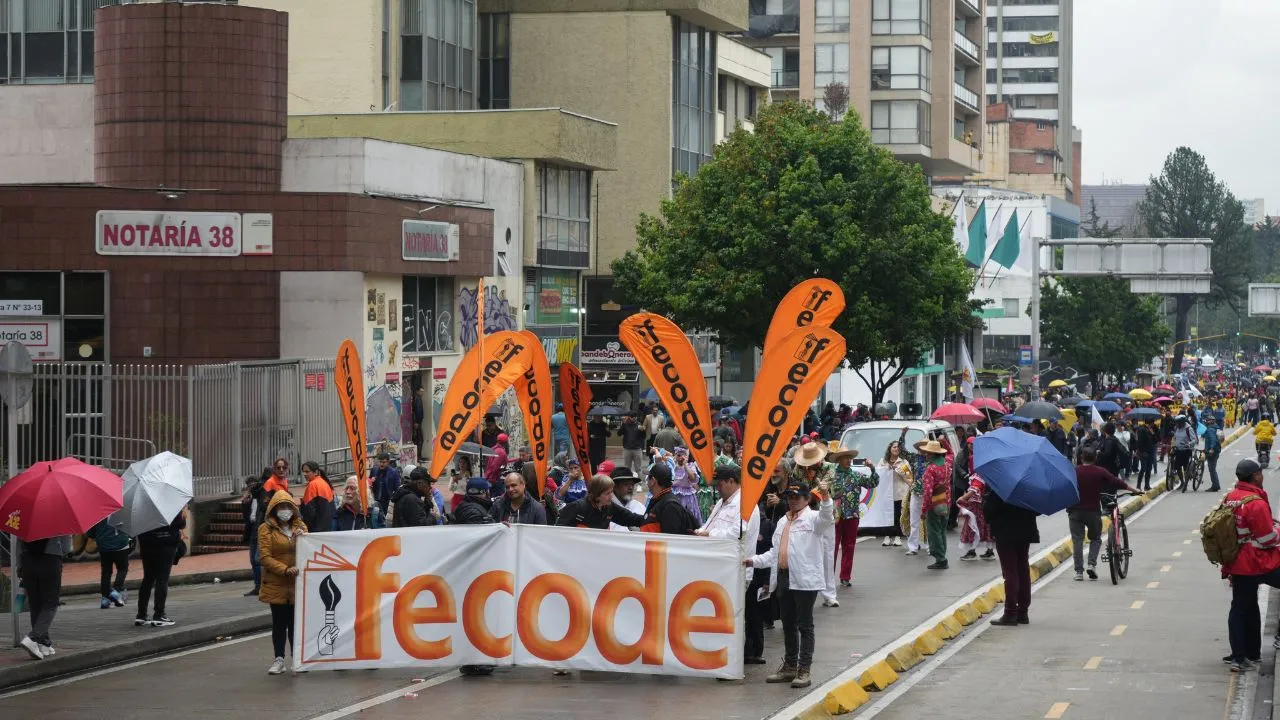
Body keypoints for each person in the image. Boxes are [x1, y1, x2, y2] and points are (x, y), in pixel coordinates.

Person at [744, 479, 834, 689]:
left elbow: (826, 517)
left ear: (807, 499)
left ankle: (804, 669)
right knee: (788, 625)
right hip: (784, 578)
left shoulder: (813, 518)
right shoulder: (783, 522)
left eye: (797, 497)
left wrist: (826, 497)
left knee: (805, 625)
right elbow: (774, 553)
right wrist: (753, 561)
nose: (793, 501)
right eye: (790, 497)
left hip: (805, 580)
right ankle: (790, 666)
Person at [1223, 458, 1280, 671]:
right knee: (1243, 606)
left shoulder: (1230, 498)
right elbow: (1267, 539)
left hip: (1237, 561)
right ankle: (1243, 656)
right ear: (1255, 476)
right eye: (1260, 473)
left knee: (1242, 606)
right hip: (1258, 561)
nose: (1262, 476)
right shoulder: (1255, 503)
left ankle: (1246, 654)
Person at [1069, 447, 1139, 581]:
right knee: (1095, 539)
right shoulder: (1100, 471)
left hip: (1075, 511)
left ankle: (1078, 572)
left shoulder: (1074, 471)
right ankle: (1091, 565)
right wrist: (1134, 489)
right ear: (1095, 458)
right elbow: (1116, 481)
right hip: (1093, 511)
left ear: (1081, 458)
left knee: (1077, 540)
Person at [258, 491, 307, 675]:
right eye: (281, 507)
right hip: (276, 583)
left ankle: (297, 659)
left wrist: (302, 538)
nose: (285, 510)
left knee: (296, 624)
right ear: (274, 509)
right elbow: (264, 557)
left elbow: (310, 549)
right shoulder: (265, 529)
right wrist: (285, 569)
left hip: (297, 584)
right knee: (279, 623)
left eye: (288, 507)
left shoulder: (300, 526)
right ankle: (279, 659)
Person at [792, 441, 839, 605]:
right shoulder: (798, 469)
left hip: (824, 514)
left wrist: (804, 496)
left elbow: (822, 490)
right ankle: (804, 588)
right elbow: (795, 488)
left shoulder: (829, 468)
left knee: (827, 553)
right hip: (803, 513)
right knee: (801, 552)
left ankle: (829, 594)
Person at [986, 488, 1039, 626]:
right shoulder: (1029, 487)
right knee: (1022, 569)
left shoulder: (1000, 486)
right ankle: (1023, 612)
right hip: (1025, 530)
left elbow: (989, 511)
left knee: (1010, 571)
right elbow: (1037, 510)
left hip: (1005, 532)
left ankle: (1010, 612)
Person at [828, 448, 877, 587]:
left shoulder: (856, 475)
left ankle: (845, 576)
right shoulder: (831, 476)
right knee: (832, 546)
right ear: (839, 460)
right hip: (835, 516)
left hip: (852, 515)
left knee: (849, 546)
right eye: (845, 458)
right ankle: (828, 576)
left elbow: (872, 483)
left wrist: (872, 469)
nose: (849, 460)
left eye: (850, 458)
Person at [17, 534, 71, 660]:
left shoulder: (27, 516)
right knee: (51, 603)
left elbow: (19, 544)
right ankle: (33, 638)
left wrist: (20, 566)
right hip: (51, 560)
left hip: (28, 560)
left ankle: (43, 643)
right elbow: (67, 547)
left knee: (35, 603)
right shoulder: (60, 516)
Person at [135, 510, 185, 627]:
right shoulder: (169, 504)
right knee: (162, 579)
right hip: (166, 544)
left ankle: (141, 615)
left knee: (148, 578)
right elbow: (180, 523)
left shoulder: (141, 506)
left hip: (147, 544)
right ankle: (159, 615)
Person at [557, 474, 648, 529]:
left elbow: (630, 518)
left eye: (611, 492)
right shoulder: (577, 507)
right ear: (596, 494)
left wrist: (651, 519)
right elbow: (558, 531)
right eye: (607, 493)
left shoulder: (609, 507)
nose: (611, 496)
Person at [917, 439, 953, 570]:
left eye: (927, 452)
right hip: (946, 501)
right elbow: (951, 453)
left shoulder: (930, 469)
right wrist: (944, 441)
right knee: (942, 530)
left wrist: (924, 510)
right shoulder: (947, 465)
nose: (925, 454)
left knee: (934, 531)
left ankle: (940, 558)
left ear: (932, 454)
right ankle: (942, 555)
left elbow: (928, 492)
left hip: (934, 504)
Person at [639, 462, 699, 534]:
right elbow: (646, 520)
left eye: (648, 478)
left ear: (653, 481)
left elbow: (669, 540)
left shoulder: (670, 506)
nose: (647, 481)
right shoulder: (660, 499)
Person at [87, 513, 131, 609]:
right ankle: (116, 592)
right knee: (122, 568)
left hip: (104, 546)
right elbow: (129, 527)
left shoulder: (98, 513)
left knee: (106, 572)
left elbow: (90, 533)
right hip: (121, 544)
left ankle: (105, 599)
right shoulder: (121, 511)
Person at [241, 472, 269, 596]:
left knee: (259, 558)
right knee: (253, 559)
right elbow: (246, 516)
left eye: (252, 485)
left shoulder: (262, 496)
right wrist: (245, 501)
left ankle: (263, 585)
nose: (251, 488)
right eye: (249, 486)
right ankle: (257, 585)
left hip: (261, 528)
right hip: (252, 528)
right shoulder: (251, 498)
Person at [880, 440, 913, 547]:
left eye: (898, 447)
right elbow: (878, 475)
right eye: (894, 447)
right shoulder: (883, 461)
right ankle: (886, 537)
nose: (896, 449)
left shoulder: (904, 462)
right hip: (886, 493)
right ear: (890, 449)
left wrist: (898, 470)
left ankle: (898, 537)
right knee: (887, 515)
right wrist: (886, 469)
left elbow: (909, 477)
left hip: (900, 493)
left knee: (898, 515)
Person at [299, 461, 335, 534]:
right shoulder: (325, 483)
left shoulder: (312, 485)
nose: (304, 474)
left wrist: (304, 527)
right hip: (327, 527)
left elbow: (309, 511)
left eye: (307, 471)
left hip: (315, 530)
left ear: (315, 472)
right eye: (303, 472)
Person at [608, 467, 647, 532]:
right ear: (615, 487)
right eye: (626, 484)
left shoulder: (639, 507)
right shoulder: (606, 507)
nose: (631, 487)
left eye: (632, 484)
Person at [1172, 415, 1199, 491]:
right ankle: (1182, 482)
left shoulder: (1188, 429)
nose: (1176, 424)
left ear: (1182, 422)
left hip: (1186, 450)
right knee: (1177, 467)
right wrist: (1173, 444)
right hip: (1178, 450)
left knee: (1185, 467)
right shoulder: (1177, 428)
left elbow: (1194, 440)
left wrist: (1189, 444)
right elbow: (1175, 437)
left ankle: (1186, 483)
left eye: (1178, 423)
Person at [1134, 420, 1157, 491]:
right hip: (1144, 452)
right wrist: (1140, 451)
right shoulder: (1141, 429)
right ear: (1151, 423)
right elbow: (1140, 441)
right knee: (1143, 468)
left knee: (1149, 469)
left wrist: (1152, 433)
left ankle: (1147, 485)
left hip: (1150, 451)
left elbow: (1155, 440)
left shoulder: (1150, 430)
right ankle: (1138, 485)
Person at [1204, 414, 1223, 492]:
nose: (1206, 422)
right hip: (1216, 450)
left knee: (1212, 469)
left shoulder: (1211, 429)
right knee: (1213, 468)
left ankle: (1215, 486)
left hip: (1212, 451)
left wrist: (1211, 448)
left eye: (1207, 421)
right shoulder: (1216, 427)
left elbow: (1213, 440)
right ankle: (1216, 485)